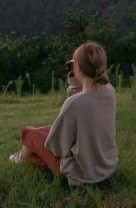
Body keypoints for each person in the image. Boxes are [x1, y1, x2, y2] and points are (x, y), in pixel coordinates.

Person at [9, 41, 118, 186]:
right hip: (106, 167)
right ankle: (26, 156)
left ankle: (22, 157)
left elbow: (58, 148)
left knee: (31, 133)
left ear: (77, 67)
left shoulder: (74, 103)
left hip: (81, 173)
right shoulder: (109, 91)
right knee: (45, 130)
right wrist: (75, 83)